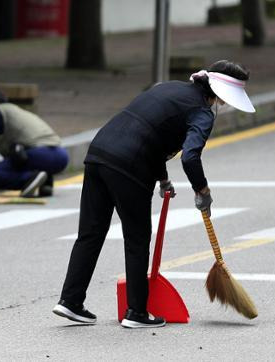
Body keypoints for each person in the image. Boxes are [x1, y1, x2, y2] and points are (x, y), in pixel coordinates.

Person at [52, 60, 256, 328]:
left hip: (98, 155)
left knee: (90, 232)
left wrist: (162, 179)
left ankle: (70, 301)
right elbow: (190, 157)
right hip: (130, 166)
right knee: (137, 238)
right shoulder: (202, 113)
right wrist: (202, 190)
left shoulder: (168, 89)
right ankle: (136, 312)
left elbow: (149, 132)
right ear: (220, 94)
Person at [0, 91, 69, 197]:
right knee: (15, 158)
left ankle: (28, 179)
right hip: (61, 155)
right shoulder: (17, 111)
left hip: (40, 154)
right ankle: (45, 181)